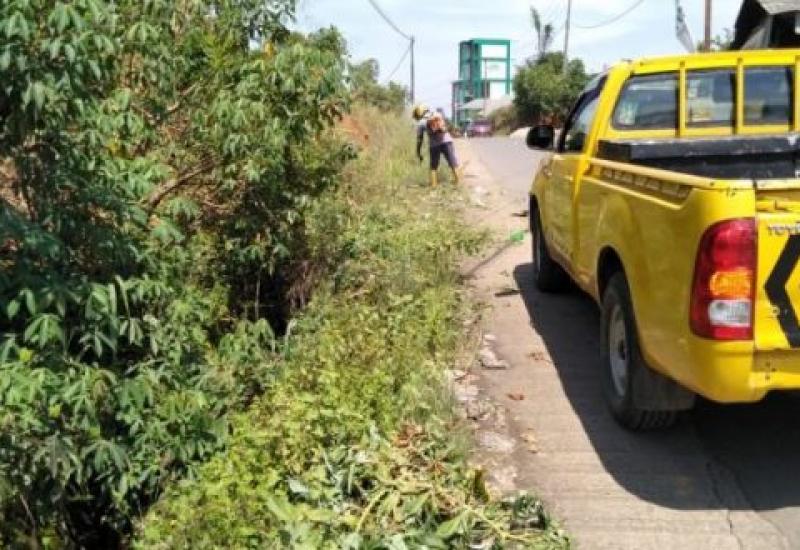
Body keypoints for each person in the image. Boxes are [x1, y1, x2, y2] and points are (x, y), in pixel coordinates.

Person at [412, 104, 461, 187]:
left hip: (434, 145)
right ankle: (458, 183)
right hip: (446, 141)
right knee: (453, 163)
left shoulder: (421, 123)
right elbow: (446, 127)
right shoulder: (437, 114)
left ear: (418, 114)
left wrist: (418, 152)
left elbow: (419, 139)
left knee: (433, 167)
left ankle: (434, 185)